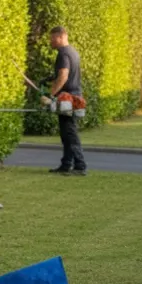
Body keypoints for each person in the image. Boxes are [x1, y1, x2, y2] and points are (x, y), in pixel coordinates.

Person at [45, 26, 87, 176]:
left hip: (68, 99)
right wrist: (51, 78)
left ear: (62, 37)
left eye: (53, 38)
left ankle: (80, 166)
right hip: (75, 97)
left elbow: (64, 76)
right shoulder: (73, 52)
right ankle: (66, 164)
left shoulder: (63, 53)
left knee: (70, 133)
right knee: (66, 132)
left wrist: (51, 95)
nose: (51, 41)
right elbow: (66, 75)